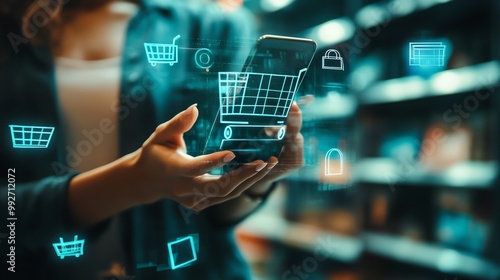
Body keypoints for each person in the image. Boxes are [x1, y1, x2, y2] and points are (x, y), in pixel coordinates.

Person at [0, 0, 305, 279]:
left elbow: (214, 207)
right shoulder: (10, 34)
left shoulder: (213, 25)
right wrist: (132, 182)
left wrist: (260, 175)